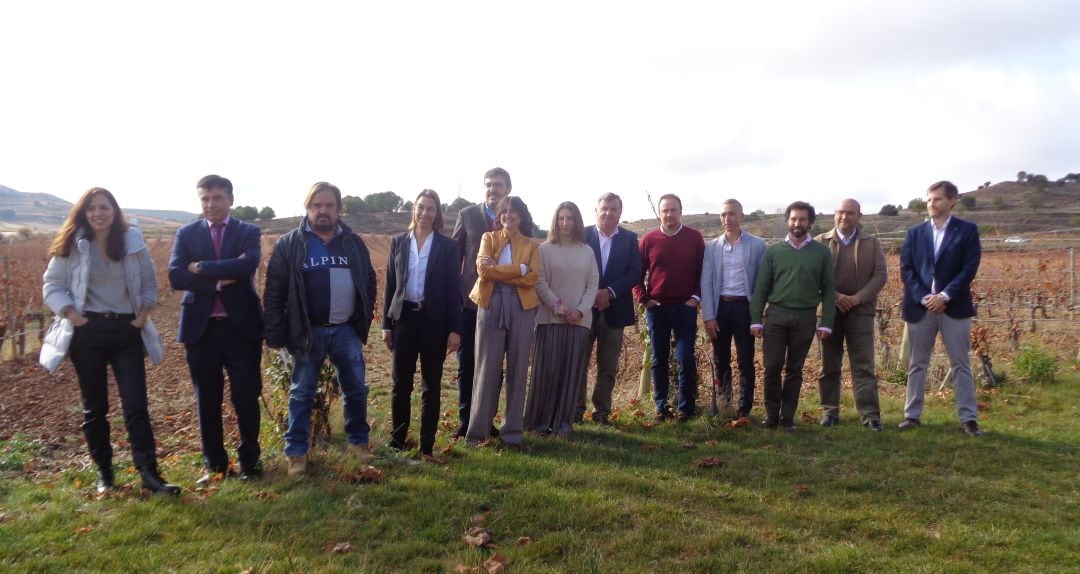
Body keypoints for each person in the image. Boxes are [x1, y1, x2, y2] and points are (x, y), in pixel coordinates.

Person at [41, 187, 179, 495]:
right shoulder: (72, 244)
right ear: (83, 213)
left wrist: (143, 313)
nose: (98, 213)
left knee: (136, 405)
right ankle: (105, 474)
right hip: (87, 333)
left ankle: (149, 473)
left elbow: (148, 282)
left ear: (114, 211)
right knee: (95, 408)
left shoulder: (132, 242)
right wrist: (73, 315)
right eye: (91, 208)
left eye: (104, 207)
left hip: (125, 331)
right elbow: (52, 285)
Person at [263, 182, 378, 476]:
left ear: (339, 209)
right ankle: (297, 454)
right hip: (307, 332)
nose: (322, 210)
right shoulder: (292, 243)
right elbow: (274, 291)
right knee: (301, 393)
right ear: (308, 208)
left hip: (345, 331)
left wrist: (361, 322)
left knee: (356, 390)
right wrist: (276, 334)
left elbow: (368, 281)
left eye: (328, 205)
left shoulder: (352, 242)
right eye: (317, 205)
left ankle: (358, 443)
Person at [168, 175, 265, 485]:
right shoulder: (186, 234)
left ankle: (250, 461)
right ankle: (216, 466)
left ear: (230, 200)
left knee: (246, 397)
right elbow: (175, 276)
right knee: (207, 400)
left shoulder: (248, 231)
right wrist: (222, 279)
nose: (211, 204)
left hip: (242, 330)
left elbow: (247, 266)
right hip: (202, 331)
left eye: (217, 198)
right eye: (205, 199)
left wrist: (202, 268)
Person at [381, 190, 462, 461]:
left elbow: (453, 290)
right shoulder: (398, 242)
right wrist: (385, 324)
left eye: (431, 209)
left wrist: (454, 329)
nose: (425, 213)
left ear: (437, 214)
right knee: (400, 384)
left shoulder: (448, 246)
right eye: (421, 207)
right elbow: (390, 285)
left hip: (434, 322)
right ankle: (397, 441)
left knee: (431, 385)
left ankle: (426, 446)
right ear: (413, 210)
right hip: (404, 319)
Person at [899, 181, 983, 436]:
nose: (931, 204)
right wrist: (925, 296)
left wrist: (945, 295)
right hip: (920, 307)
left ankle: (968, 418)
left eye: (936, 199)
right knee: (917, 364)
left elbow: (969, 268)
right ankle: (911, 415)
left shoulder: (967, 231)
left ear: (952, 200)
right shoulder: (915, 233)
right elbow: (907, 268)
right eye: (928, 200)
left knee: (960, 364)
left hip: (954, 307)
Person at [750, 201, 835, 432]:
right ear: (788, 221)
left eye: (803, 219)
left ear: (810, 222)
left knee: (795, 370)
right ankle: (770, 416)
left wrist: (826, 322)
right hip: (776, 316)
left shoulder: (821, 253)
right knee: (772, 367)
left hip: (805, 318)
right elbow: (761, 289)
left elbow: (828, 290)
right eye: (794, 219)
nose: (798, 223)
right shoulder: (774, 252)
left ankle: (788, 417)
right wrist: (756, 319)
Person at [466, 196, 540, 447]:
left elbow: (532, 279)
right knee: (486, 368)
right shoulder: (488, 238)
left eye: (514, 212)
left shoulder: (532, 245)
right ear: (499, 216)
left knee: (518, 369)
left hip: (522, 306)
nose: (509, 215)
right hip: (491, 303)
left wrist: (502, 271)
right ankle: (478, 433)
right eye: (504, 212)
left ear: (521, 216)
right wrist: (518, 269)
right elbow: (483, 271)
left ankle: (512, 434)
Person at [525, 202, 599, 435]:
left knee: (570, 374)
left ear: (577, 221)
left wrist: (579, 311)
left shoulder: (587, 251)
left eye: (569, 218)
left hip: (579, 322)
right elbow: (540, 282)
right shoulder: (544, 249)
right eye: (561, 218)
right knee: (547, 372)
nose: (565, 223)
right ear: (555, 221)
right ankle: (539, 422)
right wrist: (560, 308)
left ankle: (562, 423)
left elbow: (592, 285)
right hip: (550, 320)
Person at [815, 199, 888, 431]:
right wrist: (836, 297)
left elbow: (880, 276)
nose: (844, 217)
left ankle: (870, 416)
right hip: (828, 314)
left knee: (864, 366)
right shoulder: (819, 243)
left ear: (859, 216)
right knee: (829, 365)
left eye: (850, 213)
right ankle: (830, 412)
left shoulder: (872, 243)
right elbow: (813, 277)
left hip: (861, 313)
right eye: (840, 213)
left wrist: (856, 298)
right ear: (834, 215)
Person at [632, 194, 705, 422]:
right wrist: (643, 299)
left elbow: (704, 272)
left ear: (680, 211)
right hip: (657, 308)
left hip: (685, 308)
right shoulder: (649, 239)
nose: (669, 215)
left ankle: (685, 408)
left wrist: (696, 297)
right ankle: (661, 406)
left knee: (685, 359)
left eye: (673, 210)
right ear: (660, 213)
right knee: (659, 360)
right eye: (665, 211)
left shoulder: (694, 238)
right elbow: (636, 273)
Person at [452, 167, 511, 438]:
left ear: (508, 188)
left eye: (498, 185)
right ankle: (466, 421)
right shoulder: (467, 215)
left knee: (493, 365)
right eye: (488, 185)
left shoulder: (515, 216)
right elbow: (454, 258)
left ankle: (487, 420)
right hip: (469, 303)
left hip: (501, 304)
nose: (492, 189)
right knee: (467, 365)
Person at [576, 193, 641, 425]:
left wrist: (610, 292)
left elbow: (635, 271)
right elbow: (573, 267)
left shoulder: (630, 238)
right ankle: (575, 411)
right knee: (579, 362)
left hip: (615, 309)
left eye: (613, 209)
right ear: (596, 210)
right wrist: (592, 294)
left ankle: (601, 412)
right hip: (584, 309)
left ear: (620, 213)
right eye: (604, 208)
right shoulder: (581, 235)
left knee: (608, 365)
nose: (608, 213)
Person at [700, 199, 767, 422]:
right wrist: (708, 315)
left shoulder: (757, 245)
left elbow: (762, 282)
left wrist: (757, 314)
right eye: (723, 215)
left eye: (731, 214)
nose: (727, 219)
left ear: (741, 216)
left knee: (746, 360)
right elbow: (706, 283)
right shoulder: (711, 247)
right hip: (720, 308)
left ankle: (744, 407)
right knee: (721, 359)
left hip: (744, 308)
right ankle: (724, 402)